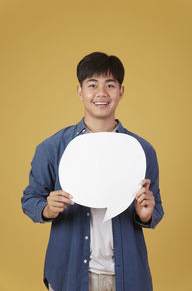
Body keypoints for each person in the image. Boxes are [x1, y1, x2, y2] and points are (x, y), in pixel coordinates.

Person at [21, 52, 164, 291]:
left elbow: (155, 206)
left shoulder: (142, 150)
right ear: (80, 92)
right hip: (69, 273)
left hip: (128, 276)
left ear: (121, 91)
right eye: (92, 85)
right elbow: (30, 199)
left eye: (110, 85)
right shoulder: (53, 147)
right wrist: (46, 208)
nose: (101, 93)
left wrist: (146, 214)